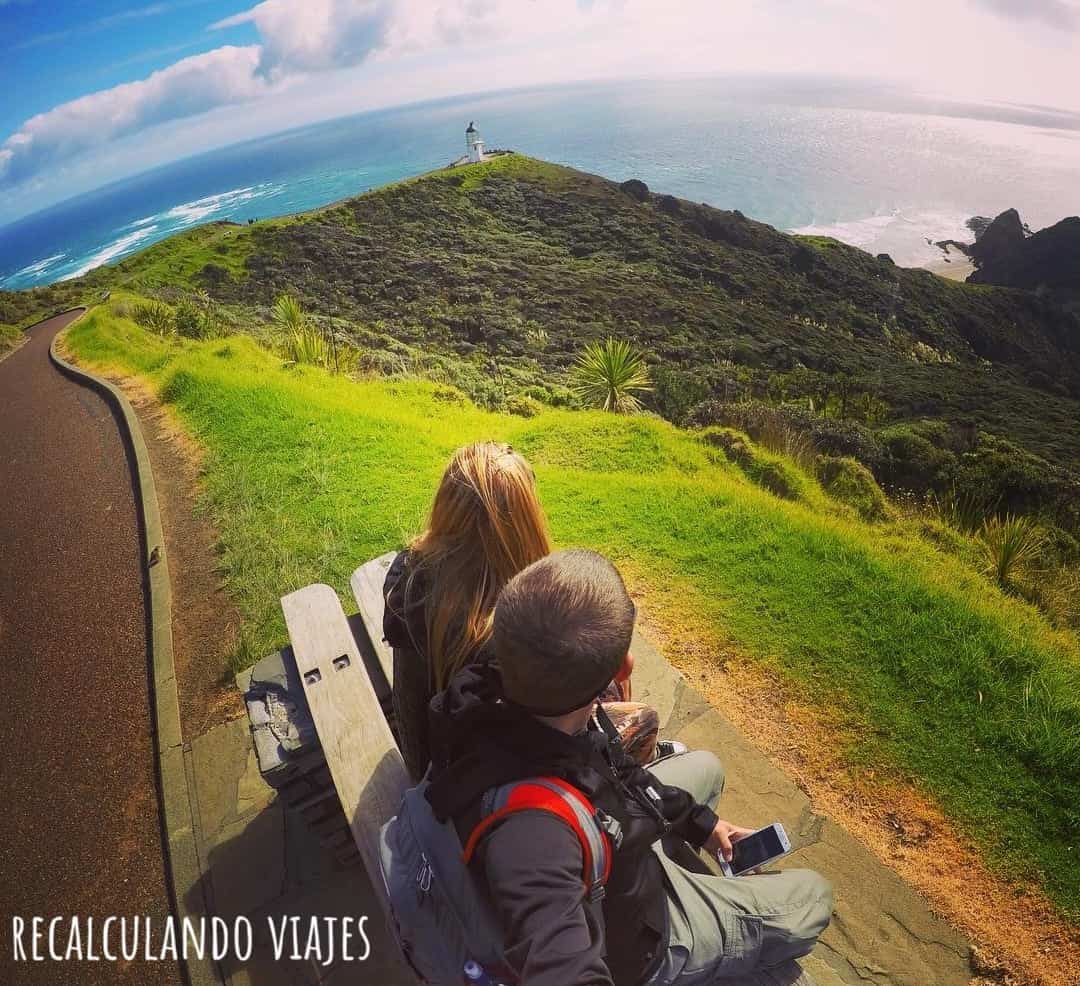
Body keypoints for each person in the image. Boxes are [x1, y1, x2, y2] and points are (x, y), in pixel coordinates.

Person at [425, 549, 833, 986]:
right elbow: (560, 966)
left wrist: (703, 825)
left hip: (613, 839)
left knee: (707, 769)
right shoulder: (533, 838)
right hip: (638, 944)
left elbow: (614, 768)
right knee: (812, 897)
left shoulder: (498, 694)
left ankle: (683, 858)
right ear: (623, 669)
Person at [382, 441, 668, 779]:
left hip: (427, 753)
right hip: (479, 780)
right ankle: (630, 772)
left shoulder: (408, 572)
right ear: (525, 520)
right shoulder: (519, 626)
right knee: (639, 709)